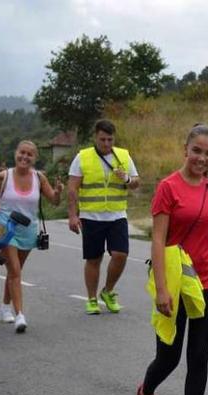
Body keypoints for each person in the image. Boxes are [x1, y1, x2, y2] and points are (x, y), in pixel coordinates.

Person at [135, 124, 208, 395]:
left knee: (199, 356)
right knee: (169, 357)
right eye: (197, 151)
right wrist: (161, 288)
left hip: (207, 281)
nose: (202, 158)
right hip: (174, 281)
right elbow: (158, 240)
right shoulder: (168, 187)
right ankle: (146, 392)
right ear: (185, 150)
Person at [0, 140, 62, 333]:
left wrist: (58, 192)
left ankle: (4, 306)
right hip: (5, 229)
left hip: (28, 232)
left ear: (35, 158)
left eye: (29, 154)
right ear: (15, 153)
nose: (25, 157)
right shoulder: (3, 177)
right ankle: (20, 315)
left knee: (13, 272)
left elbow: (54, 201)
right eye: (22, 153)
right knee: (16, 271)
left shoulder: (39, 178)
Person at [67, 119, 140, 314]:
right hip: (92, 216)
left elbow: (136, 182)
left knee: (120, 255)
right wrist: (73, 216)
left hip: (117, 215)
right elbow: (72, 189)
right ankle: (91, 299)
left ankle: (108, 291)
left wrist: (126, 179)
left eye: (110, 139)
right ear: (95, 137)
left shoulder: (123, 156)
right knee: (94, 259)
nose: (106, 144)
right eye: (102, 139)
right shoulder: (83, 157)